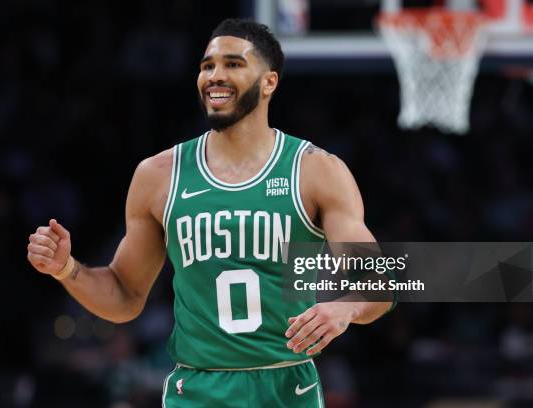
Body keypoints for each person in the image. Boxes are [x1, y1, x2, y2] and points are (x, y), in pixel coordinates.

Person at [27, 18, 392, 408]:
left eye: (233, 64)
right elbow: (124, 295)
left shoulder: (316, 170)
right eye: (207, 66)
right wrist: (68, 269)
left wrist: (345, 307)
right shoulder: (158, 175)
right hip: (197, 389)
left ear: (269, 82)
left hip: (288, 387)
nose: (214, 76)